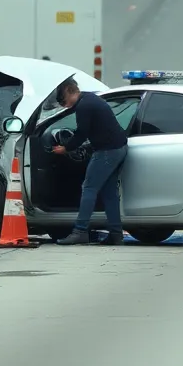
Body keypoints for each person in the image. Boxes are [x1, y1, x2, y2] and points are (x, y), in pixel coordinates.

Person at [51, 77, 129, 246]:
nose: (65, 105)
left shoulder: (84, 106)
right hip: (119, 147)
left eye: (64, 101)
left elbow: (81, 134)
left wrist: (65, 149)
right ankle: (116, 234)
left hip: (107, 150)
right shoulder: (90, 99)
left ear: (70, 91)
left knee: (89, 188)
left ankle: (80, 231)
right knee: (109, 193)